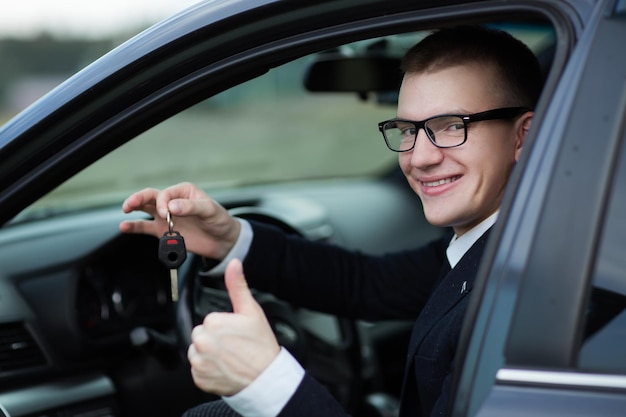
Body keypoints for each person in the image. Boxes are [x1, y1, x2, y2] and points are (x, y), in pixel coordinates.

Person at [119, 25, 542, 417]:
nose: (419, 157)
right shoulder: (500, 246)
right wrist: (229, 239)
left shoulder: (532, 302)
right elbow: (366, 283)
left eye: (452, 126)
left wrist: (269, 383)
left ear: (523, 135)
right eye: (408, 130)